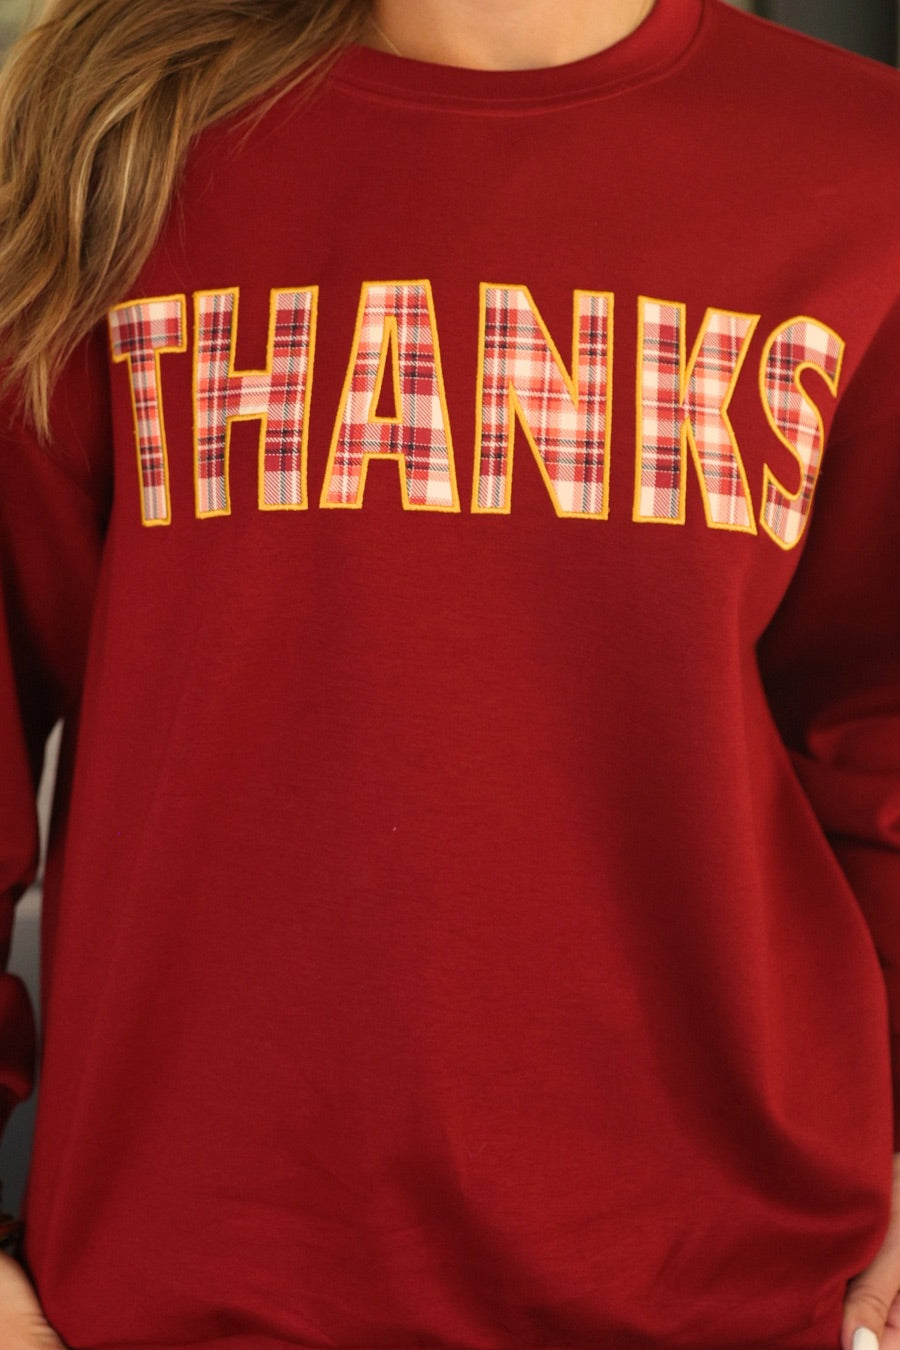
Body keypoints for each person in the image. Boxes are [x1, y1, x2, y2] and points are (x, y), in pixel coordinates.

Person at [0, 0, 898, 1346]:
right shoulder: (112, 130)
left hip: (724, 1283)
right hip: (192, 1288)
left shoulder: (863, 166)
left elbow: (879, 726)